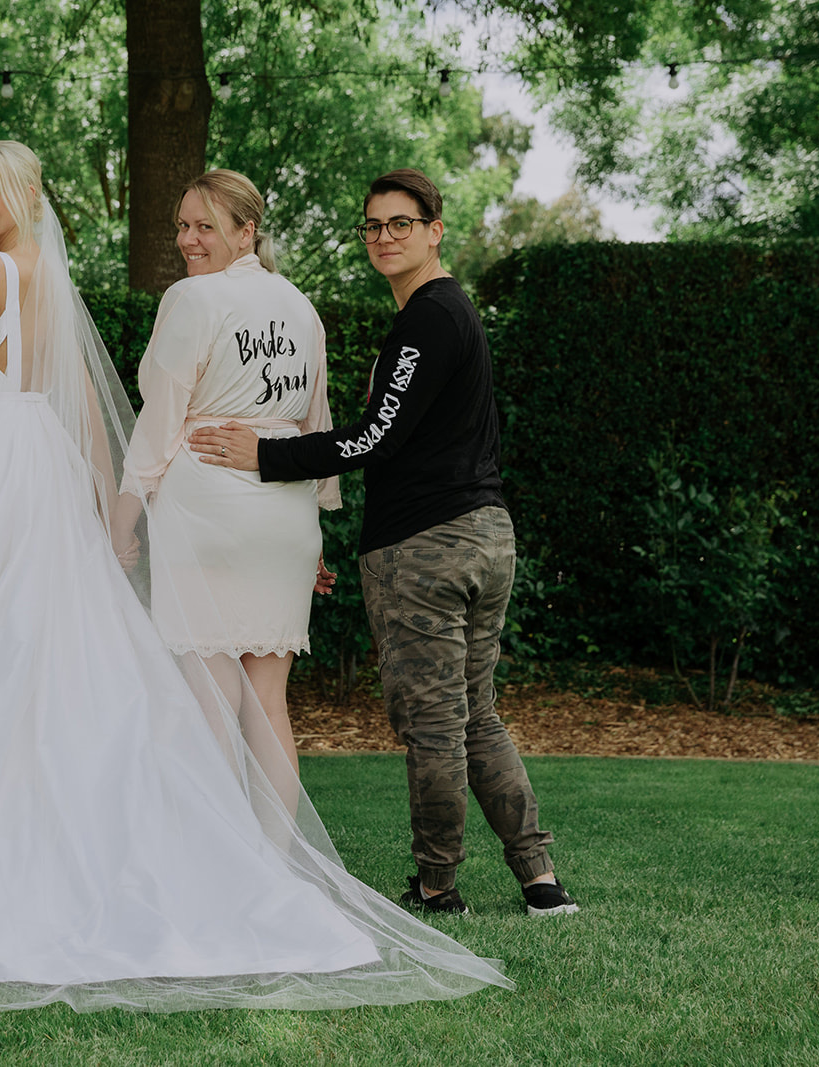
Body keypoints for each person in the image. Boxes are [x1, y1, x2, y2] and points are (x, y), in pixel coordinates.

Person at [0, 142, 512, 1011]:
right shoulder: (59, 276)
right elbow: (93, 403)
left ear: (23, 193)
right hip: (56, 464)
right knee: (60, 641)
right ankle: (230, 851)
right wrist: (113, 498)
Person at [189, 168, 579, 918]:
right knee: (475, 713)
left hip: (428, 545)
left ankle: (438, 886)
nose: (384, 238)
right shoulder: (446, 315)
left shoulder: (430, 319)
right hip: (486, 535)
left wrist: (266, 457)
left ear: (435, 230)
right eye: (372, 226)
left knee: (434, 724)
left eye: (400, 224)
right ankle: (539, 879)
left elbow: (375, 435)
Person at [115, 169, 340, 775]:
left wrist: (122, 520)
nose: (189, 240)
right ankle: (270, 860)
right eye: (183, 226)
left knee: (211, 695)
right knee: (269, 701)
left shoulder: (193, 298)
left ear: (247, 232)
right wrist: (316, 525)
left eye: (205, 227)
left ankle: (222, 860)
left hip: (206, 510)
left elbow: (159, 423)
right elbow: (316, 425)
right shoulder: (300, 305)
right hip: (285, 520)